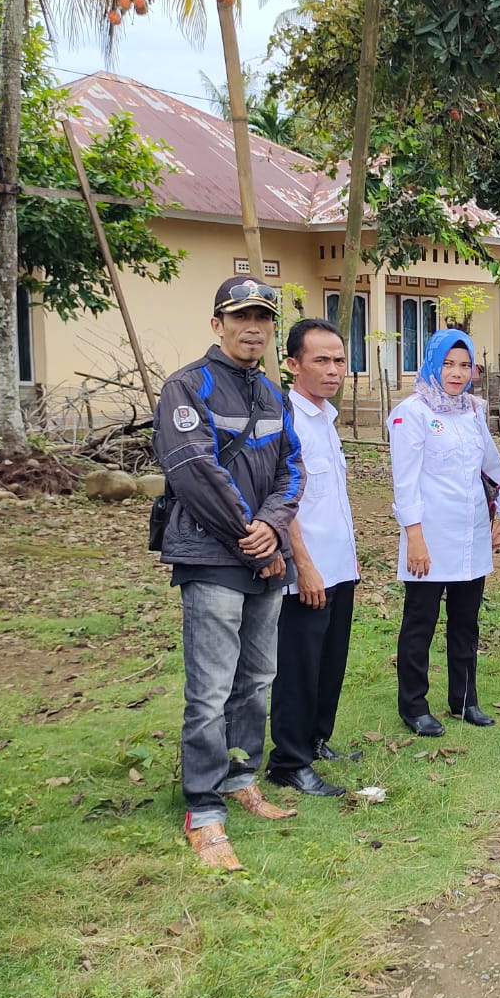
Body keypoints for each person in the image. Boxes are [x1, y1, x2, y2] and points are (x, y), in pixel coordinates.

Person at [154, 275, 303, 871]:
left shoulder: (272, 392)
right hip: (213, 557)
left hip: (265, 556)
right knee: (210, 691)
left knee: (257, 681)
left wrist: (272, 525)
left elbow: (294, 467)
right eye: (241, 317)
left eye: (264, 319)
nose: (253, 328)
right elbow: (196, 474)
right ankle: (204, 809)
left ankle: (242, 777)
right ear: (217, 323)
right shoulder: (187, 387)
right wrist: (254, 538)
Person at [389, 330, 500, 735]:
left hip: (471, 532)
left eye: (464, 365)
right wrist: (414, 537)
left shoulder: (473, 411)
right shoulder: (410, 412)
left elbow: (492, 465)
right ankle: (413, 705)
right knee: (420, 622)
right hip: (428, 536)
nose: (457, 373)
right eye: (448, 364)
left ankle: (465, 700)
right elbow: (404, 481)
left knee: (466, 621)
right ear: (432, 364)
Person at [265, 319, 358, 799]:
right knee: (299, 665)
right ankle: (288, 761)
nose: (333, 369)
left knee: (330, 661)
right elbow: (285, 500)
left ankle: (317, 739)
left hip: (340, 562)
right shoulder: (286, 421)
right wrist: (303, 564)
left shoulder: (327, 418)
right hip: (307, 568)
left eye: (339, 359)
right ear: (292, 364)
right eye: (320, 360)